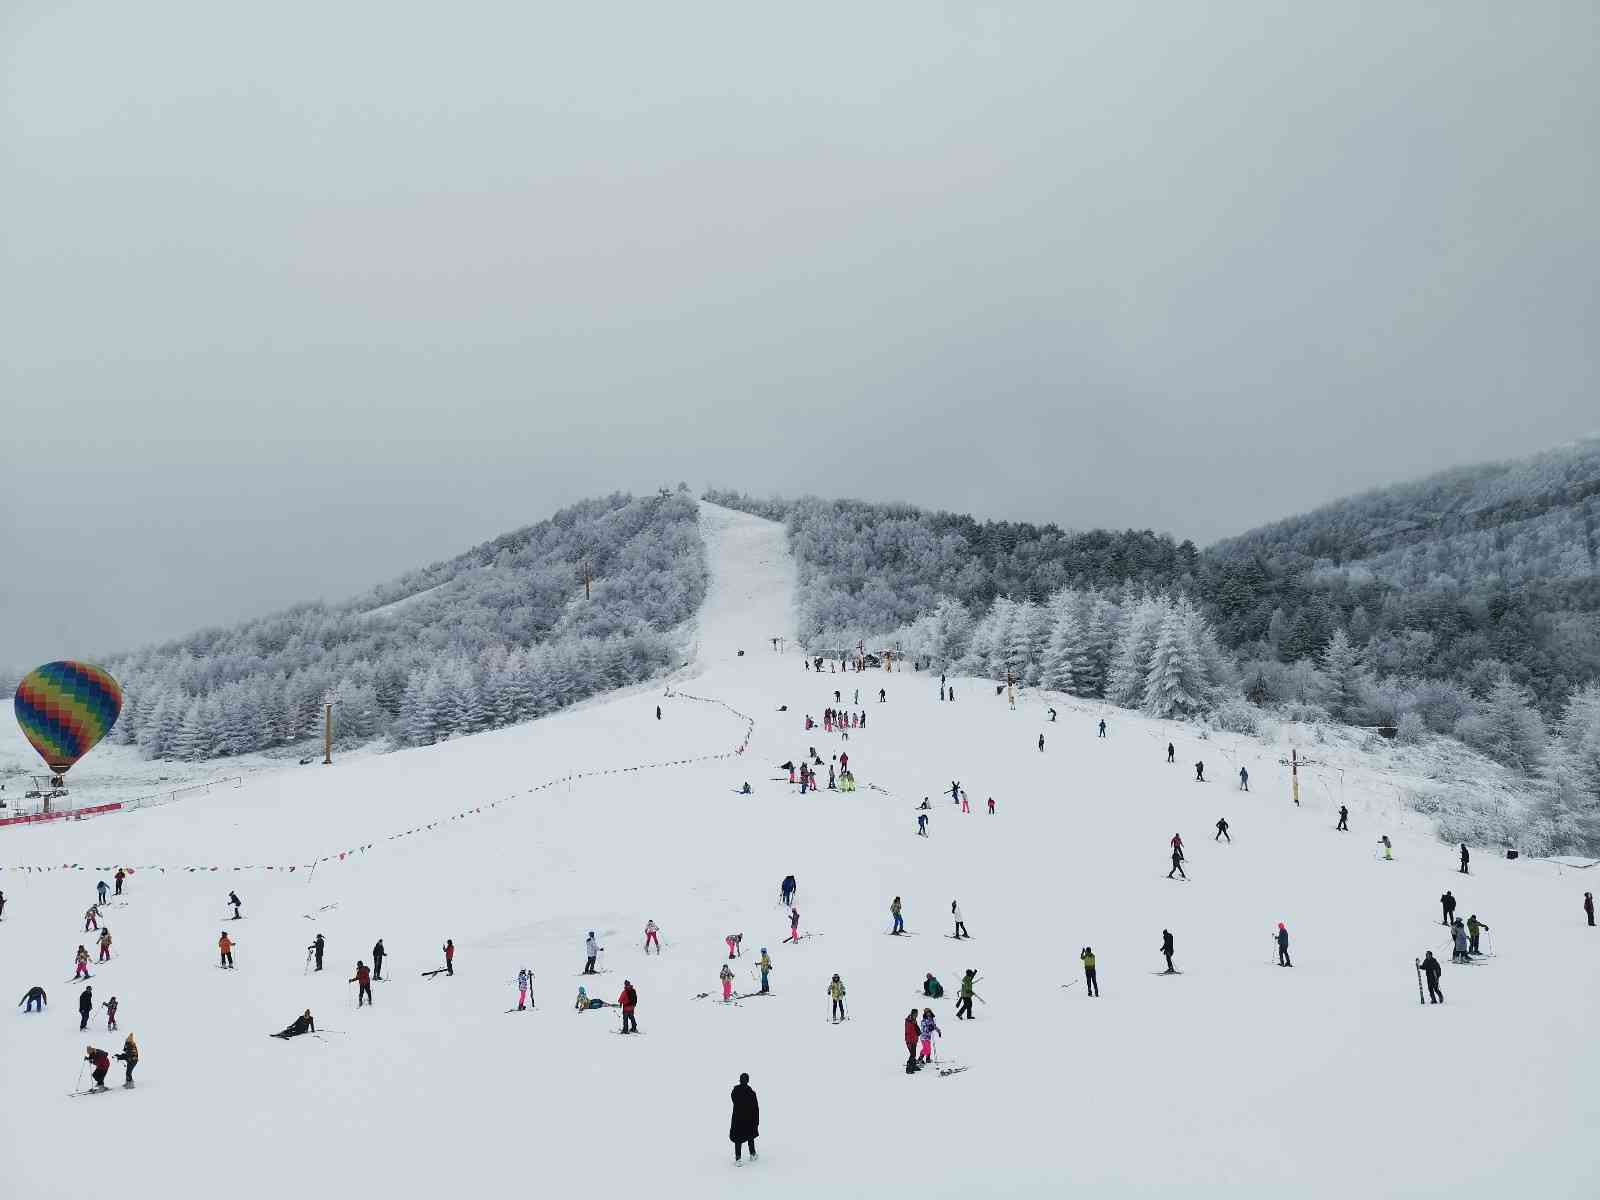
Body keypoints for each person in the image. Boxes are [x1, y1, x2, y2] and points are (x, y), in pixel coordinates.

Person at [729, 1073, 759, 1164]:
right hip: (749, 1120)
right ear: (748, 1080)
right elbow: (756, 1109)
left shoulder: (735, 1091)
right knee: (750, 1136)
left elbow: (733, 1098)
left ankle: (738, 1159)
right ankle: (752, 1154)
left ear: (740, 1080)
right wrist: (756, 1121)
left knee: (738, 1139)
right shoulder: (751, 1093)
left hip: (737, 1119)